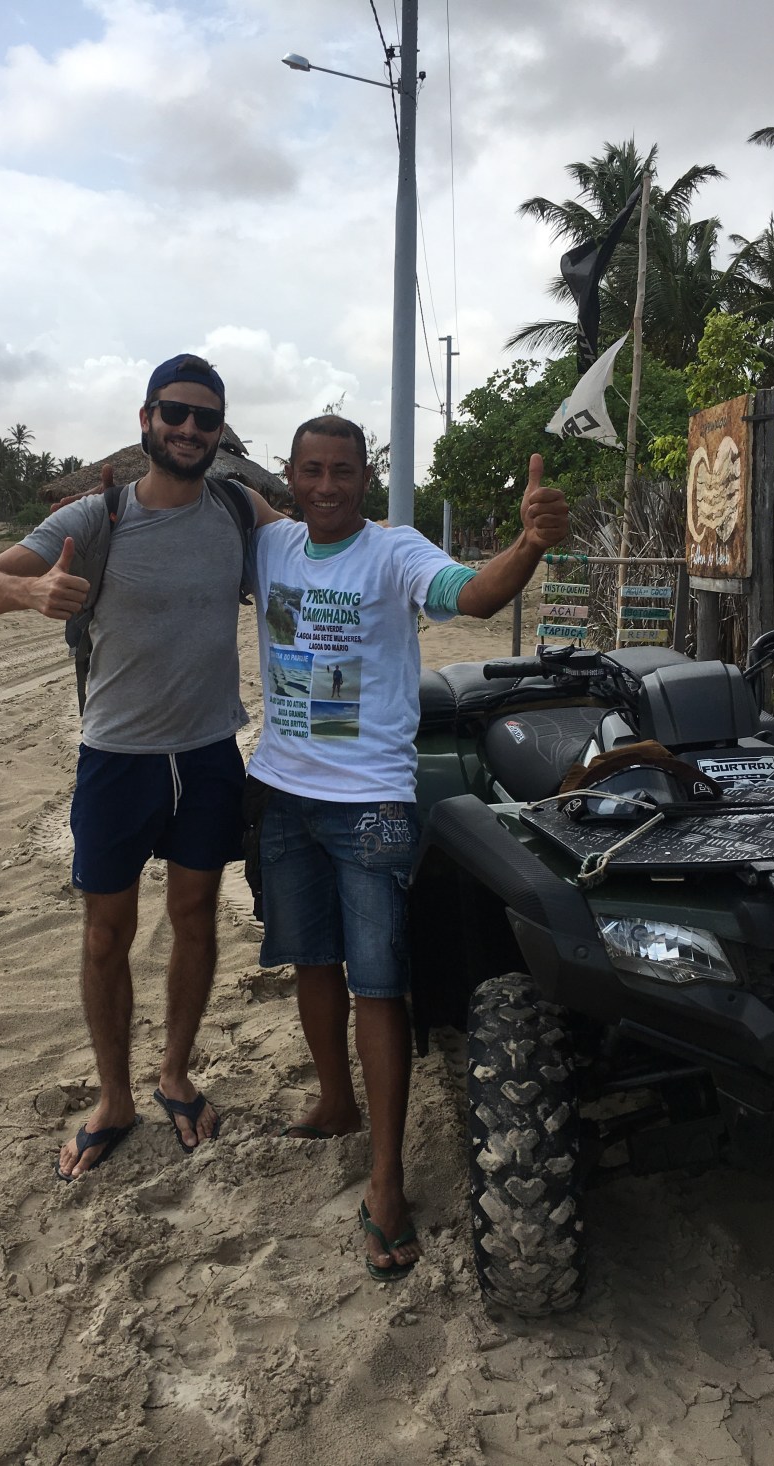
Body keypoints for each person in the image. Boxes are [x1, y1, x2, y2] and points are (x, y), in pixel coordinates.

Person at [246, 414, 568, 1280]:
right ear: (290, 476)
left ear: (367, 477)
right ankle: (335, 1102)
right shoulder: (269, 544)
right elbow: (204, 502)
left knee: (379, 983)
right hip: (281, 792)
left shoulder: (394, 551)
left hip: (370, 804)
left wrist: (529, 545)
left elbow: (475, 594)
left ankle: (386, 1179)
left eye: (342, 471)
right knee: (311, 960)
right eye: (311, 470)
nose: (326, 486)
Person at [0, 354, 281, 1177]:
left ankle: (174, 1073)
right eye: (176, 413)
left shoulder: (238, 509)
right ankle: (113, 1097)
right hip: (117, 758)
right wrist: (30, 593)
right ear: (147, 420)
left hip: (208, 752)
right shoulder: (97, 516)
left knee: (196, 917)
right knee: (107, 934)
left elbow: (323, 548)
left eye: (206, 418)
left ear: (221, 432)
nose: (190, 429)